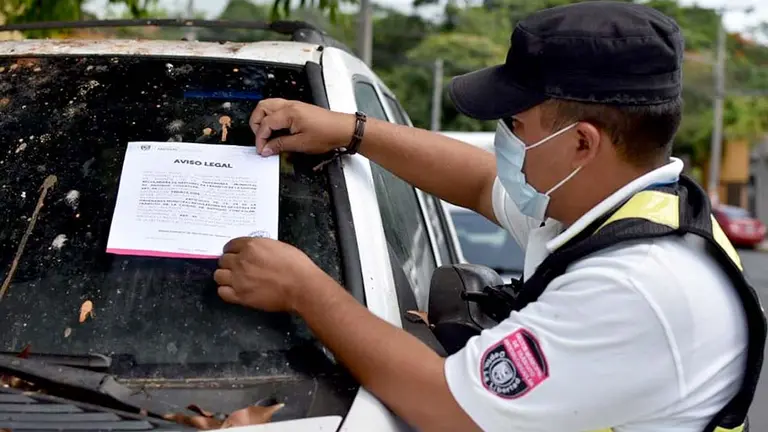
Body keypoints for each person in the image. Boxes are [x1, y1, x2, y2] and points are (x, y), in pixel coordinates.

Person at [213, 2, 766, 431]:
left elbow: (451, 408)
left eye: (516, 125)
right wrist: (352, 132)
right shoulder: (613, 209)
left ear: (581, 143)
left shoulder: (637, 286)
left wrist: (305, 289)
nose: (505, 138)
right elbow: (481, 182)